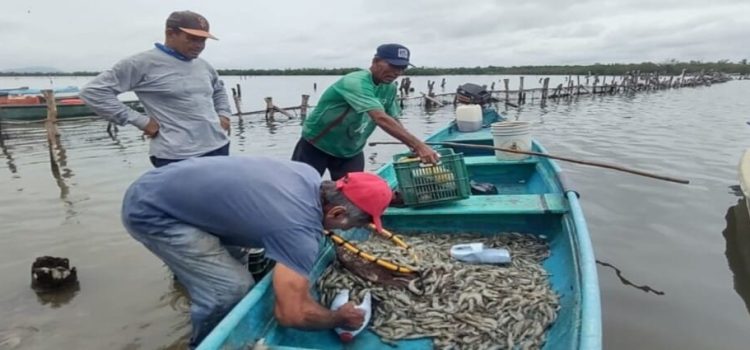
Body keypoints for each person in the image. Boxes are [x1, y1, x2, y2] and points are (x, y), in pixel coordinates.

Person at [121, 155, 393, 348]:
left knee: (234, 263)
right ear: (337, 211)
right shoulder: (297, 230)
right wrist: (338, 318)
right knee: (230, 290)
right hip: (153, 212)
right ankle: (202, 343)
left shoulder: (307, 174)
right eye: (357, 223)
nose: (352, 229)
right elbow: (290, 314)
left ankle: (194, 288)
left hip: (162, 184)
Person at [80, 10, 232, 168]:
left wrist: (224, 115)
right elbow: (93, 92)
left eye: (203, 40)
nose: (199, 46)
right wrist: (142, 121)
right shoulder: (141, 63)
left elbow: (218, 89)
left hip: (218, 147)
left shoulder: (203, 65)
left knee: (220, 193)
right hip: (176, 155)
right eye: (192, 39)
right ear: (170, 33)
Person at [291, 43, 440, 180]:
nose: (397, 72)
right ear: (375, 61)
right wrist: (419, 145)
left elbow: (392, 119)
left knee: (353, 197)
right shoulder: (356, 82)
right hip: (317, 143)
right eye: (393, 65)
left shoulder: (390, 88)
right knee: (301, 190)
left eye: (402, 68)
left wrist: (412, 147)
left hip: (351, 150)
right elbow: (380, 118)